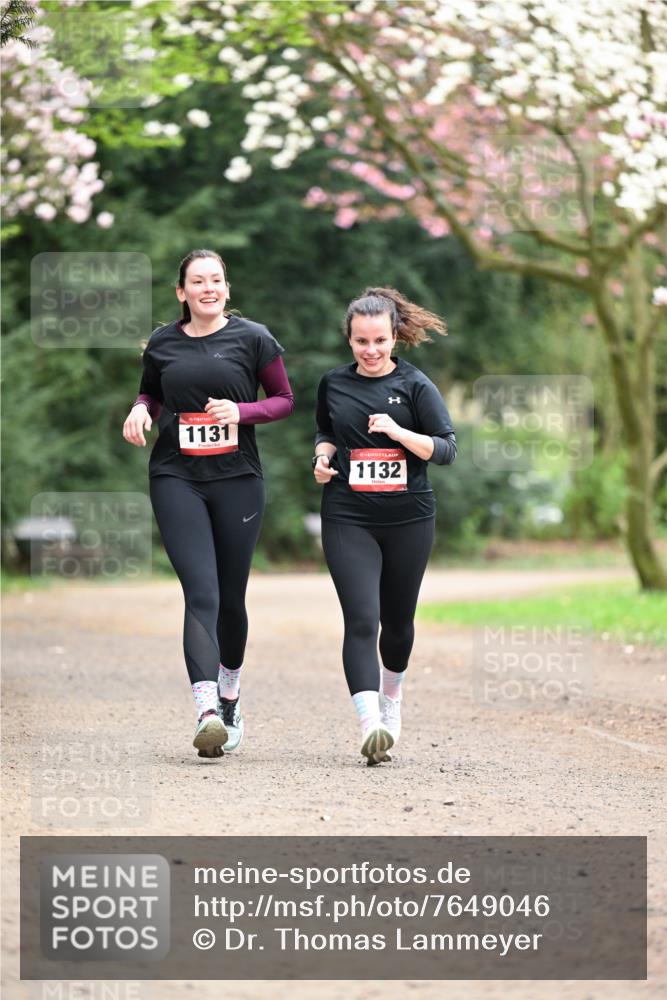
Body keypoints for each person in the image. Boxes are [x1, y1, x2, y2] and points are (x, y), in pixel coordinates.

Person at [123, 249, 294, 758]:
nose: (208, 288)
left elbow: (284, 399)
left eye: (216, 280)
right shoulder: (163, 342)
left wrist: (240, 411)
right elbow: (151, 393)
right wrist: (138, 410)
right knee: (201, 592)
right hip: (177, 475)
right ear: (182, 292)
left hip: (238, 479)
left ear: (226, 288)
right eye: (197, 281)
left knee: (231, 599)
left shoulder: (253, 338)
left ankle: (230, 694)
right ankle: (206, 711)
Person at [313, 287, 456, 765]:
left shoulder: (416, 386)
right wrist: (322, 458)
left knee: (396, 626)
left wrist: (397, 433)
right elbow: (327, 432)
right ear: (349, 340)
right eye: (360, 342)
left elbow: (446, 449)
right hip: (348, 515)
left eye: (378, 341)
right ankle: (370, 723)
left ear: (394, 337)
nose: (370, 351)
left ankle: (391, 696)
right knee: (361, 620)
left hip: (408, 518)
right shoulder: (333, 383)